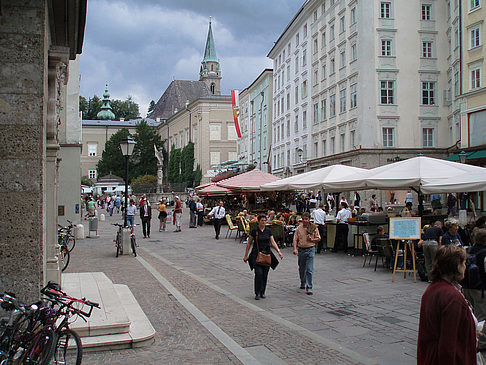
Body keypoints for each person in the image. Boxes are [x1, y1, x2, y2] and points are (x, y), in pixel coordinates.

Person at [417, 245, 478, 364]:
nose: (465, 266)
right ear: (456, 266)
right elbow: (448, 344)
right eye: (463, 263)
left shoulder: (433, 288)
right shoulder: (452, 298)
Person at [243, 215, 283, 300]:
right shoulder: (254, 231)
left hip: (267, 255)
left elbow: (273, 242)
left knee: (265, 274)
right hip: (256, 255)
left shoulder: (268, 231)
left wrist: (278, 251)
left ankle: (262, 292)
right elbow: (249, 243)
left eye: (265, 220)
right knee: (259, 273)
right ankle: (257, 292)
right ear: (258, 221)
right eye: (262, 220)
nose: (264, 222)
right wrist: (246, 255)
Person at [463, 229, 486, 353]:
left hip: (467, 286)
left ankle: (472, 338)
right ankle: (481, 342)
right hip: (480, 288)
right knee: (482, 315)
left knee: (472, 314)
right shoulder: (484, 252)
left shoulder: (470, 250)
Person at [293, 212, 321, 295]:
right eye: (303, 219)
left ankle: (309, 287)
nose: (305, 221)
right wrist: (295, 249)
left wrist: (312, 240)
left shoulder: (313, 228)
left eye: (306, 219)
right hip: (301, 250)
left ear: (309, 219)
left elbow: (318, 238)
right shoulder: (299, 228)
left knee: (309, 269)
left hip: (310, 249)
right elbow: (295, 239)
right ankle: (303, 281)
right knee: (301, 268)